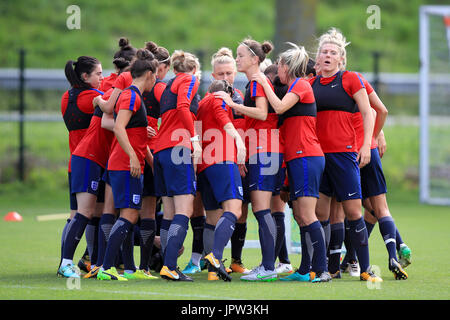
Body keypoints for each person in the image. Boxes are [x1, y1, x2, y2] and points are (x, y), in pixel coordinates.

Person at [252, 43, 331, 282]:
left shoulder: (301, 84)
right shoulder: (293, 86)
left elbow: (278, 106)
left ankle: (322, 269)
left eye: (280, 67)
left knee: (308, 215)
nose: (277, 72)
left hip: (306, 155)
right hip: (296, 157)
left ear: (287, 66)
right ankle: (306, 270)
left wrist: (262, 80)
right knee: (299, 215)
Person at [310, 28, 382, 283]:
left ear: (341, 59)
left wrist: (366, 145)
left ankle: (365, 269)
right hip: (318, 157)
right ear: (317, 58)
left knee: (353, 211)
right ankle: (328, 268)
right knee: (321, 214)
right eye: (324, 52)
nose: (328, 56)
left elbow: (369, 113)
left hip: (344, 155)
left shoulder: (351, 79)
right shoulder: (310, 84)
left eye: (333, 53)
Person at [214, 38, 281, 282]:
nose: (237, 58)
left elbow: (262, 113)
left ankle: (268, 267)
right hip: (264, 149)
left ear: (254, 59)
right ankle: (268, 266)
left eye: (240, 55)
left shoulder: (255, 83)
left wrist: (232, 104)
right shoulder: (256, 81)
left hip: (265, 149)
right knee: (262, 210)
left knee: (262, 210)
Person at [96, 48, 158, 281]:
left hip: (129, 164)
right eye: (156, 76)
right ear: (150, 74)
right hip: (125, 164)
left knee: (129, 214)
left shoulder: (134, 96)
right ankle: (107, 267)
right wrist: (133, 156)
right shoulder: (131, 96)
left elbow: (132, 131)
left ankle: (129, 269)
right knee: (130, 214)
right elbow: (119, 127)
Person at [153, 50, 202, 281]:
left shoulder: (168, 84)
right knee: (185, 209)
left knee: (170, 212)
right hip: (178, 148)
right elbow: (183, 107)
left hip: (161, 150)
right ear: (194, 70)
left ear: (173, 68)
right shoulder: (190, 79)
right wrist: (193, 139)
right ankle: (170, 266)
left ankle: (166, 263)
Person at [196, 80, 246, 281]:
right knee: (234, 209)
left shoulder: (201, 103)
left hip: (204, 165)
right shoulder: (219, 99)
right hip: (222, 159)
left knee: (212, 218)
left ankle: (211, 272)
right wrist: (238, 140)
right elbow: (221, 115)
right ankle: (216, 257)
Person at [58, 55, 104, 278]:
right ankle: (68, 262)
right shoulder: (92, 96)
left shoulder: (67, 96)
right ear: (85, 76)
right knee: (88, 214)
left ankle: (75, 261)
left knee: (76, 214)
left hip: (74, 161)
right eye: (98, 74)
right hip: (89, 159)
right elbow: (111, 104)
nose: (102, 78)